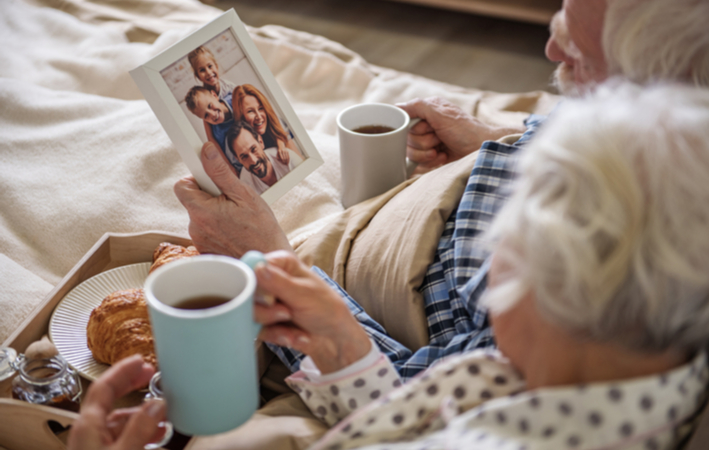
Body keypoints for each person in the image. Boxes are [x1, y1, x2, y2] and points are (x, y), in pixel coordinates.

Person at [68, 83, 709, 450]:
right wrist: (350, 353)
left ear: (530, 291)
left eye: (491, 249)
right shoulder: (628, 370)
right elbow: (404, 418)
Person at [175, 0, 709, 380]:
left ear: (663, 89)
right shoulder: (678, 135)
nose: (548, 49)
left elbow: (396, 393)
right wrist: (497, 141)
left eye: (581, 56)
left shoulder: (578, 311)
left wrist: (268, 260)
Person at [227, 120, 303, 195]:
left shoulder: (290, 159)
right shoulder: (246, 188)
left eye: (253, 149)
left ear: (261, 142)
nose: (253, 161)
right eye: (244, 156)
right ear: (238, 159)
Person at [233, 84, 303, 162]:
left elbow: (300, 160)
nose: (259, 116)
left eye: (260, 108)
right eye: (250, 111)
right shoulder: (239, 142)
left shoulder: (276, 122)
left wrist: (281, 144)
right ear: (241, 116)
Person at [184, 86, 237, 170]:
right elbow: (218, 149)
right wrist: (230, 167)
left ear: (214, 95)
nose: (212, 114)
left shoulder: (235, 100)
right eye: (206, 115)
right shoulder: (217, 133)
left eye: (209, 106)